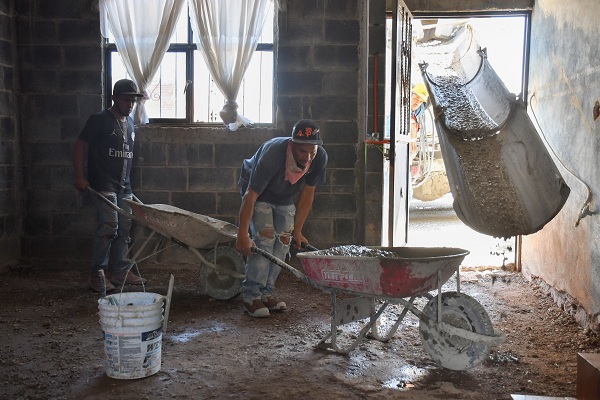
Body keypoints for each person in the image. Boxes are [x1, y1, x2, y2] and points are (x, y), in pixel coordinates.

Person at [235, 119, 328, 318]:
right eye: (303, 152)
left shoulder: (319, 158)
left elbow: (307, 194)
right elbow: (249, 197)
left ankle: (266, 293)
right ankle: (251, 295)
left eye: (312, 151)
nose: (308, 157)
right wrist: (242, 235)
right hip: (259, 194)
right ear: (292, 145)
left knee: (284, 241)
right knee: (265, 240)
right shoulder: (273, 155)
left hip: (285, 194)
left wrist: (298, 231)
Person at [73, 79, 147, 293]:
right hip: (103, 184)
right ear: (114, 98)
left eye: (133, 101)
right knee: (108, 227)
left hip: (124, 186)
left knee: (125, 228)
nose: (130, 104)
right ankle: (98, 274)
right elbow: (80, 144)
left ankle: (121, 270)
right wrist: (79, 176)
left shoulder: (130, 123)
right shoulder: (99, 120)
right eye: (126, 100)